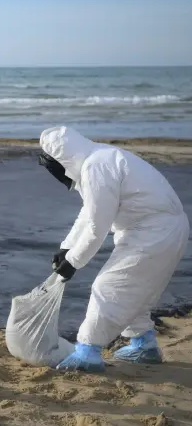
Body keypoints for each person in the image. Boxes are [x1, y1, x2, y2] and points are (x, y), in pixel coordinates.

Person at [39, 126, 189, 372]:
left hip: (155, 231)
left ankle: (87, 352)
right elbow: (88, 211)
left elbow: (98, 226)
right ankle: (144, 344)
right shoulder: (99, 159)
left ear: (63, 159)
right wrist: (66, 247)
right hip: (161, 230)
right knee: (135, 291)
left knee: (109, 286)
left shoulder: (96, 167)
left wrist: (73, 262)